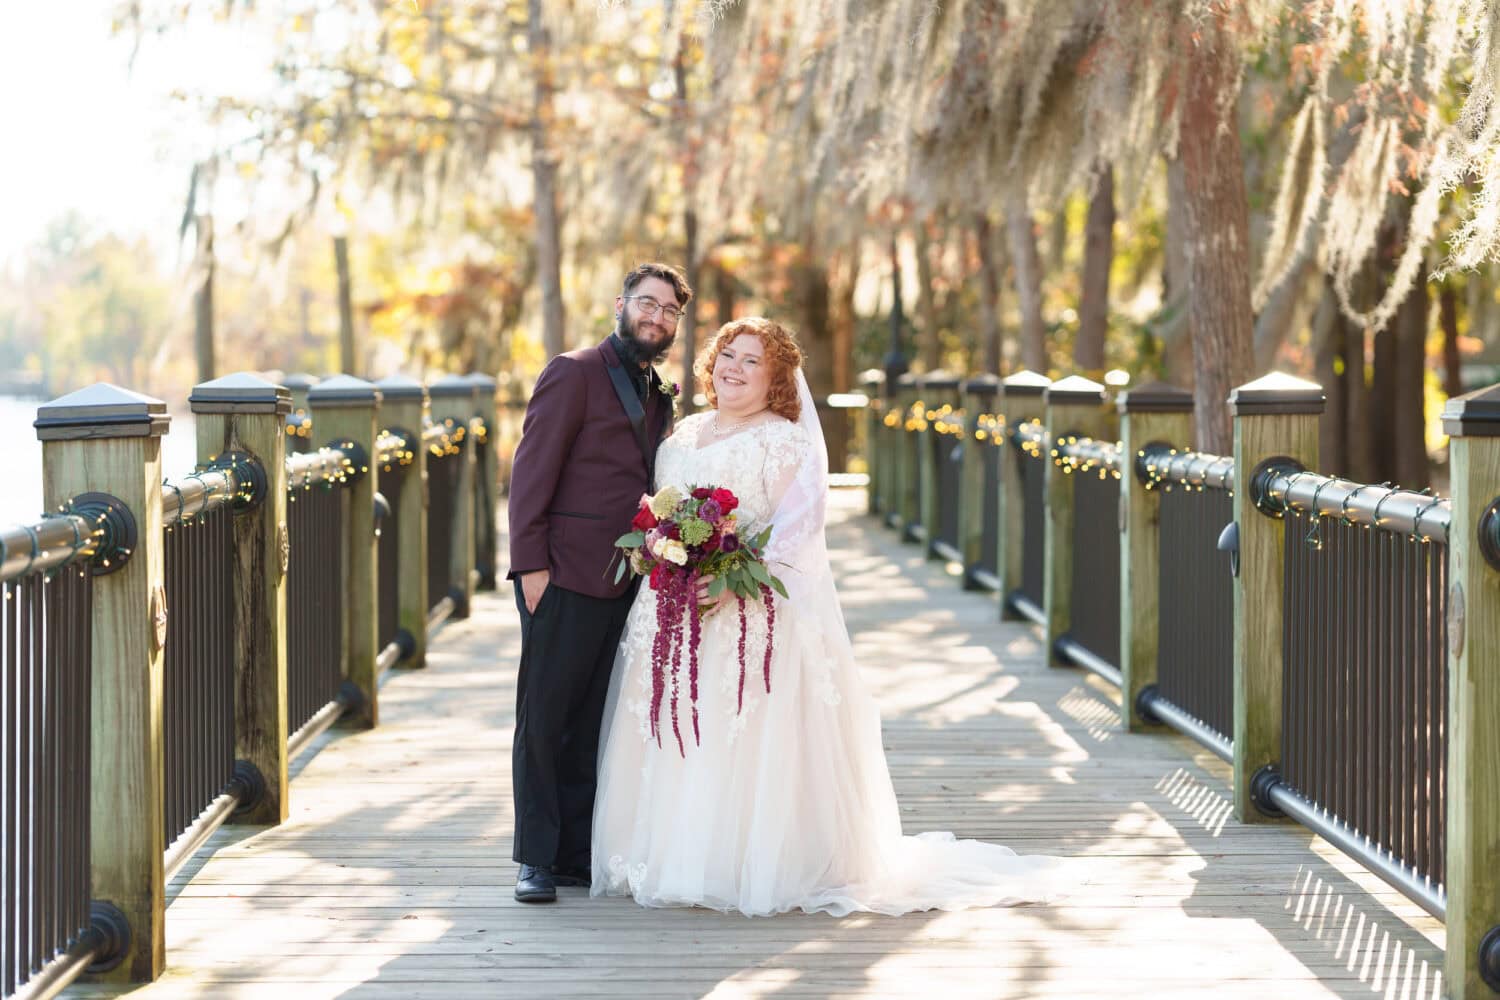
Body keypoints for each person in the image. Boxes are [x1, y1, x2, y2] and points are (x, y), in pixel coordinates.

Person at [591, 317, 1058, 916]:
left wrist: (729, 581)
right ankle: (668, 855)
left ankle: (740, 862)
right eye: (727, 354)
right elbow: (659, 514)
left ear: (777, 378)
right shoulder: (680, 436)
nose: (733, 367)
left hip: (745, 611)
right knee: (674, 725)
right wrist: (664, 552)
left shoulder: (785, 442)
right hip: (673, 609)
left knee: (737, 734)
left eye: (751, 361)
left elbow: (796, 536)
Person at [506, 262, 692, 903]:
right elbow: (530, 473)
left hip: (629, 578)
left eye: (670, 311)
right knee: (545, 716)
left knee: (594, 721)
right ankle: (534, 858)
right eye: (648, 303)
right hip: (562, 573)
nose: (657, 317)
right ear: (621, 304)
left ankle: (571, 856)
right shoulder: (574, 372)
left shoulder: (657, 390)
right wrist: (530, 566)